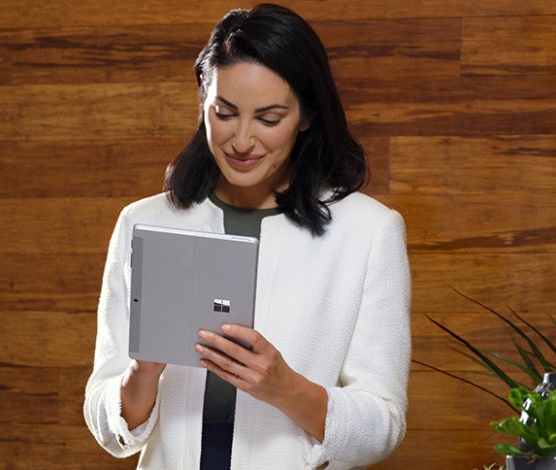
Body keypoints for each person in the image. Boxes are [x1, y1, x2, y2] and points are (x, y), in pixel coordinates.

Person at [84, 4, 411, 470]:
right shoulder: (144, 222)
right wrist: (142, 373)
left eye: (268, 118)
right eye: (225, 112)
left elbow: (384, 426)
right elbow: (110, 425)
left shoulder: (369, 232)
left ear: (307, 115)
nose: (241, 141)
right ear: (203, 103)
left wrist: (286, 389)